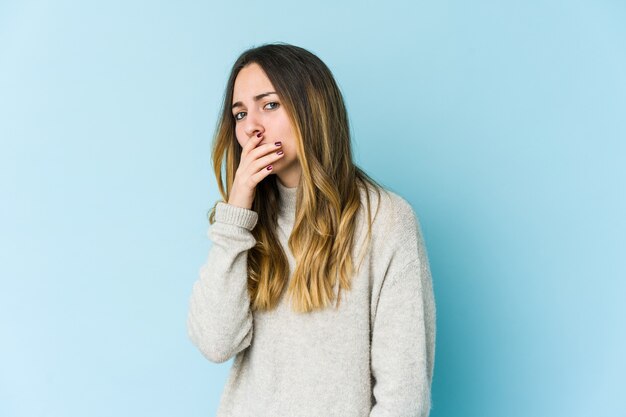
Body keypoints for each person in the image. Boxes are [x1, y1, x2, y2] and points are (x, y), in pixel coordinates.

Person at [186, 42, 436, 417]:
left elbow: (404, 395)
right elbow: (215, 342)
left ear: (311, 109)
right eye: (239, 114)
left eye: (269, 105)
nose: (251, 125)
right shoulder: (245, 223)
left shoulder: (386, 220)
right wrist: (236, 210)